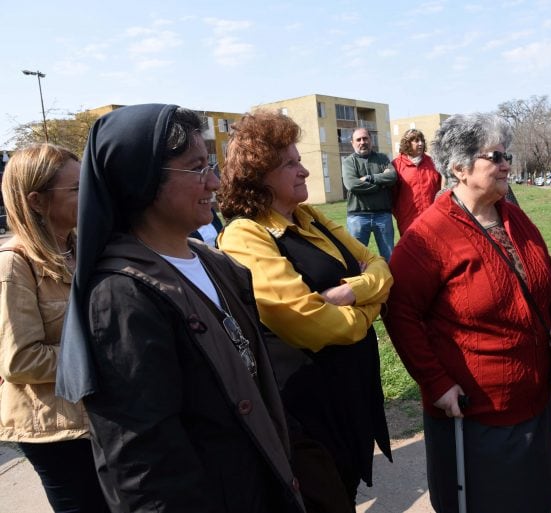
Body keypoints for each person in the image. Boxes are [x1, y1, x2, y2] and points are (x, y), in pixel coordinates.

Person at [55, 104, 305, 512]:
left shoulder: (215, 263)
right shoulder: (121, 297)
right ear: (142, 180)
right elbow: (144, 469)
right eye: (197, 168)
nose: (214, 181)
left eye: (212, 165)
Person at [384, 113, 551, 513]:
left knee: (536, 499)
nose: (507, 163)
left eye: (507, 154)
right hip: (475, 414)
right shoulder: (428, 235)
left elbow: (545, 273)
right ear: (458, 167)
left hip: (533, 400)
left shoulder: (513, 216)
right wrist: (435, 383)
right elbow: (400, 312)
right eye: (496, 156)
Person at [217, 109, 392, 511]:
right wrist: (371, 310)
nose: (305, 172)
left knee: (344, 487)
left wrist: (351, 292)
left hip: (348, 391)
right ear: (260, 176)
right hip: (306, 407)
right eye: (290, 164)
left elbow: (380, 266)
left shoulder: (309, 217)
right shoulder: (246, 234)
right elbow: (310, 322)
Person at [0, 144, 109, 513]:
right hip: (55, 432)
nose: (88, 196)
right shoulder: (14, 266)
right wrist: (103, 355)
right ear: (36, 200)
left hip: (97, 416)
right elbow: (19, 361)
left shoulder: (82, 249)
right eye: (76, 189)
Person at [341, 127, 397, 261]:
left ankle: (392, 282)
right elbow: (352, 185)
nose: (362, 142)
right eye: (358, 139)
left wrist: (369, 178)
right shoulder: (348, 162)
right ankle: (361, 282)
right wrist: (381, 184)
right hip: (358, 217)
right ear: (352, 143)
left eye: (365, 138)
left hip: (382, 216)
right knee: (357, 259)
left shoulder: (382, 158)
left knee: (390, 257)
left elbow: (393, 177)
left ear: (371, 140)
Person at [390, 128, 442, 234]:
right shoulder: (396, 165)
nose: (420, 144)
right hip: (407, 220)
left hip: (432, 218)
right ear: (407, 144)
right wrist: (401, 215)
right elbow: (392, 195)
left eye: (422, 140)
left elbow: (440, 189)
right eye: (416, 141)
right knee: (411, 250)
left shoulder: (433, 163)